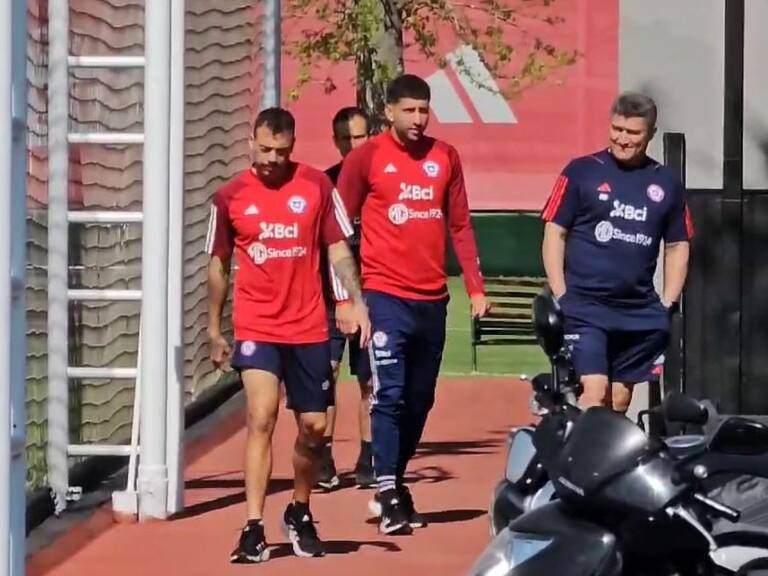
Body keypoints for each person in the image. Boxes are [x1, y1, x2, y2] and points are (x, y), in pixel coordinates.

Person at [206, 107, 370, 563]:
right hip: (258, 325)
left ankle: (299, 509)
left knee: (314, 428)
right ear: (251, 142)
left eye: (282, 151)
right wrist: (214, 328)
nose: (273, 159)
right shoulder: (230, 197)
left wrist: (351, 299)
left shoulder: (318, 186)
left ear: (293, 146)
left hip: (308, 325)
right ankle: (253, 524)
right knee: (262, 415)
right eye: (264, 149)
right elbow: (218, 265)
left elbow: (337, 246)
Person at [336, 74, 490, 535]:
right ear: (390, 111)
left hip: (433, 298)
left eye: (424, 110)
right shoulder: (366, 158)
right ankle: (385, 490)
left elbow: (460, 226)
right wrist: (347, 297)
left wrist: (477, 288)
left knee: (421, 399)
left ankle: (395, 482)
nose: (418, 119)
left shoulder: (445, 157)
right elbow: (337, 228)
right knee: (390, 392)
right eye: (409, 110)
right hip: (384, 296)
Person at [541, 92, 693, 414]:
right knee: (594, 392)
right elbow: (555, 232)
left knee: (620, 400)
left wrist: (668, 301)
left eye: (633, 133)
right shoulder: (581, 172)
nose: (623, 139)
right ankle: (580, 464)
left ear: (650, 134)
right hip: (585, 306)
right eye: (617, 129)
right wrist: (561, 292)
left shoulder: (667, 183)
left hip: (639, 310)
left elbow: (678, 245)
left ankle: (606, 463)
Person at [317, 106, 376, 491]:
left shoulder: (381, 182)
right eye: (344, 138)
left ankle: (370, 457)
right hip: (328, 299)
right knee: (326, 376)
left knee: (372, 379)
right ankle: (321, 457)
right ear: (335, 141)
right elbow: (327, 247)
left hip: (375, 297)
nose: (352, 145)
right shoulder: (325, 185)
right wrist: (342, 300)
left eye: (359, 136)